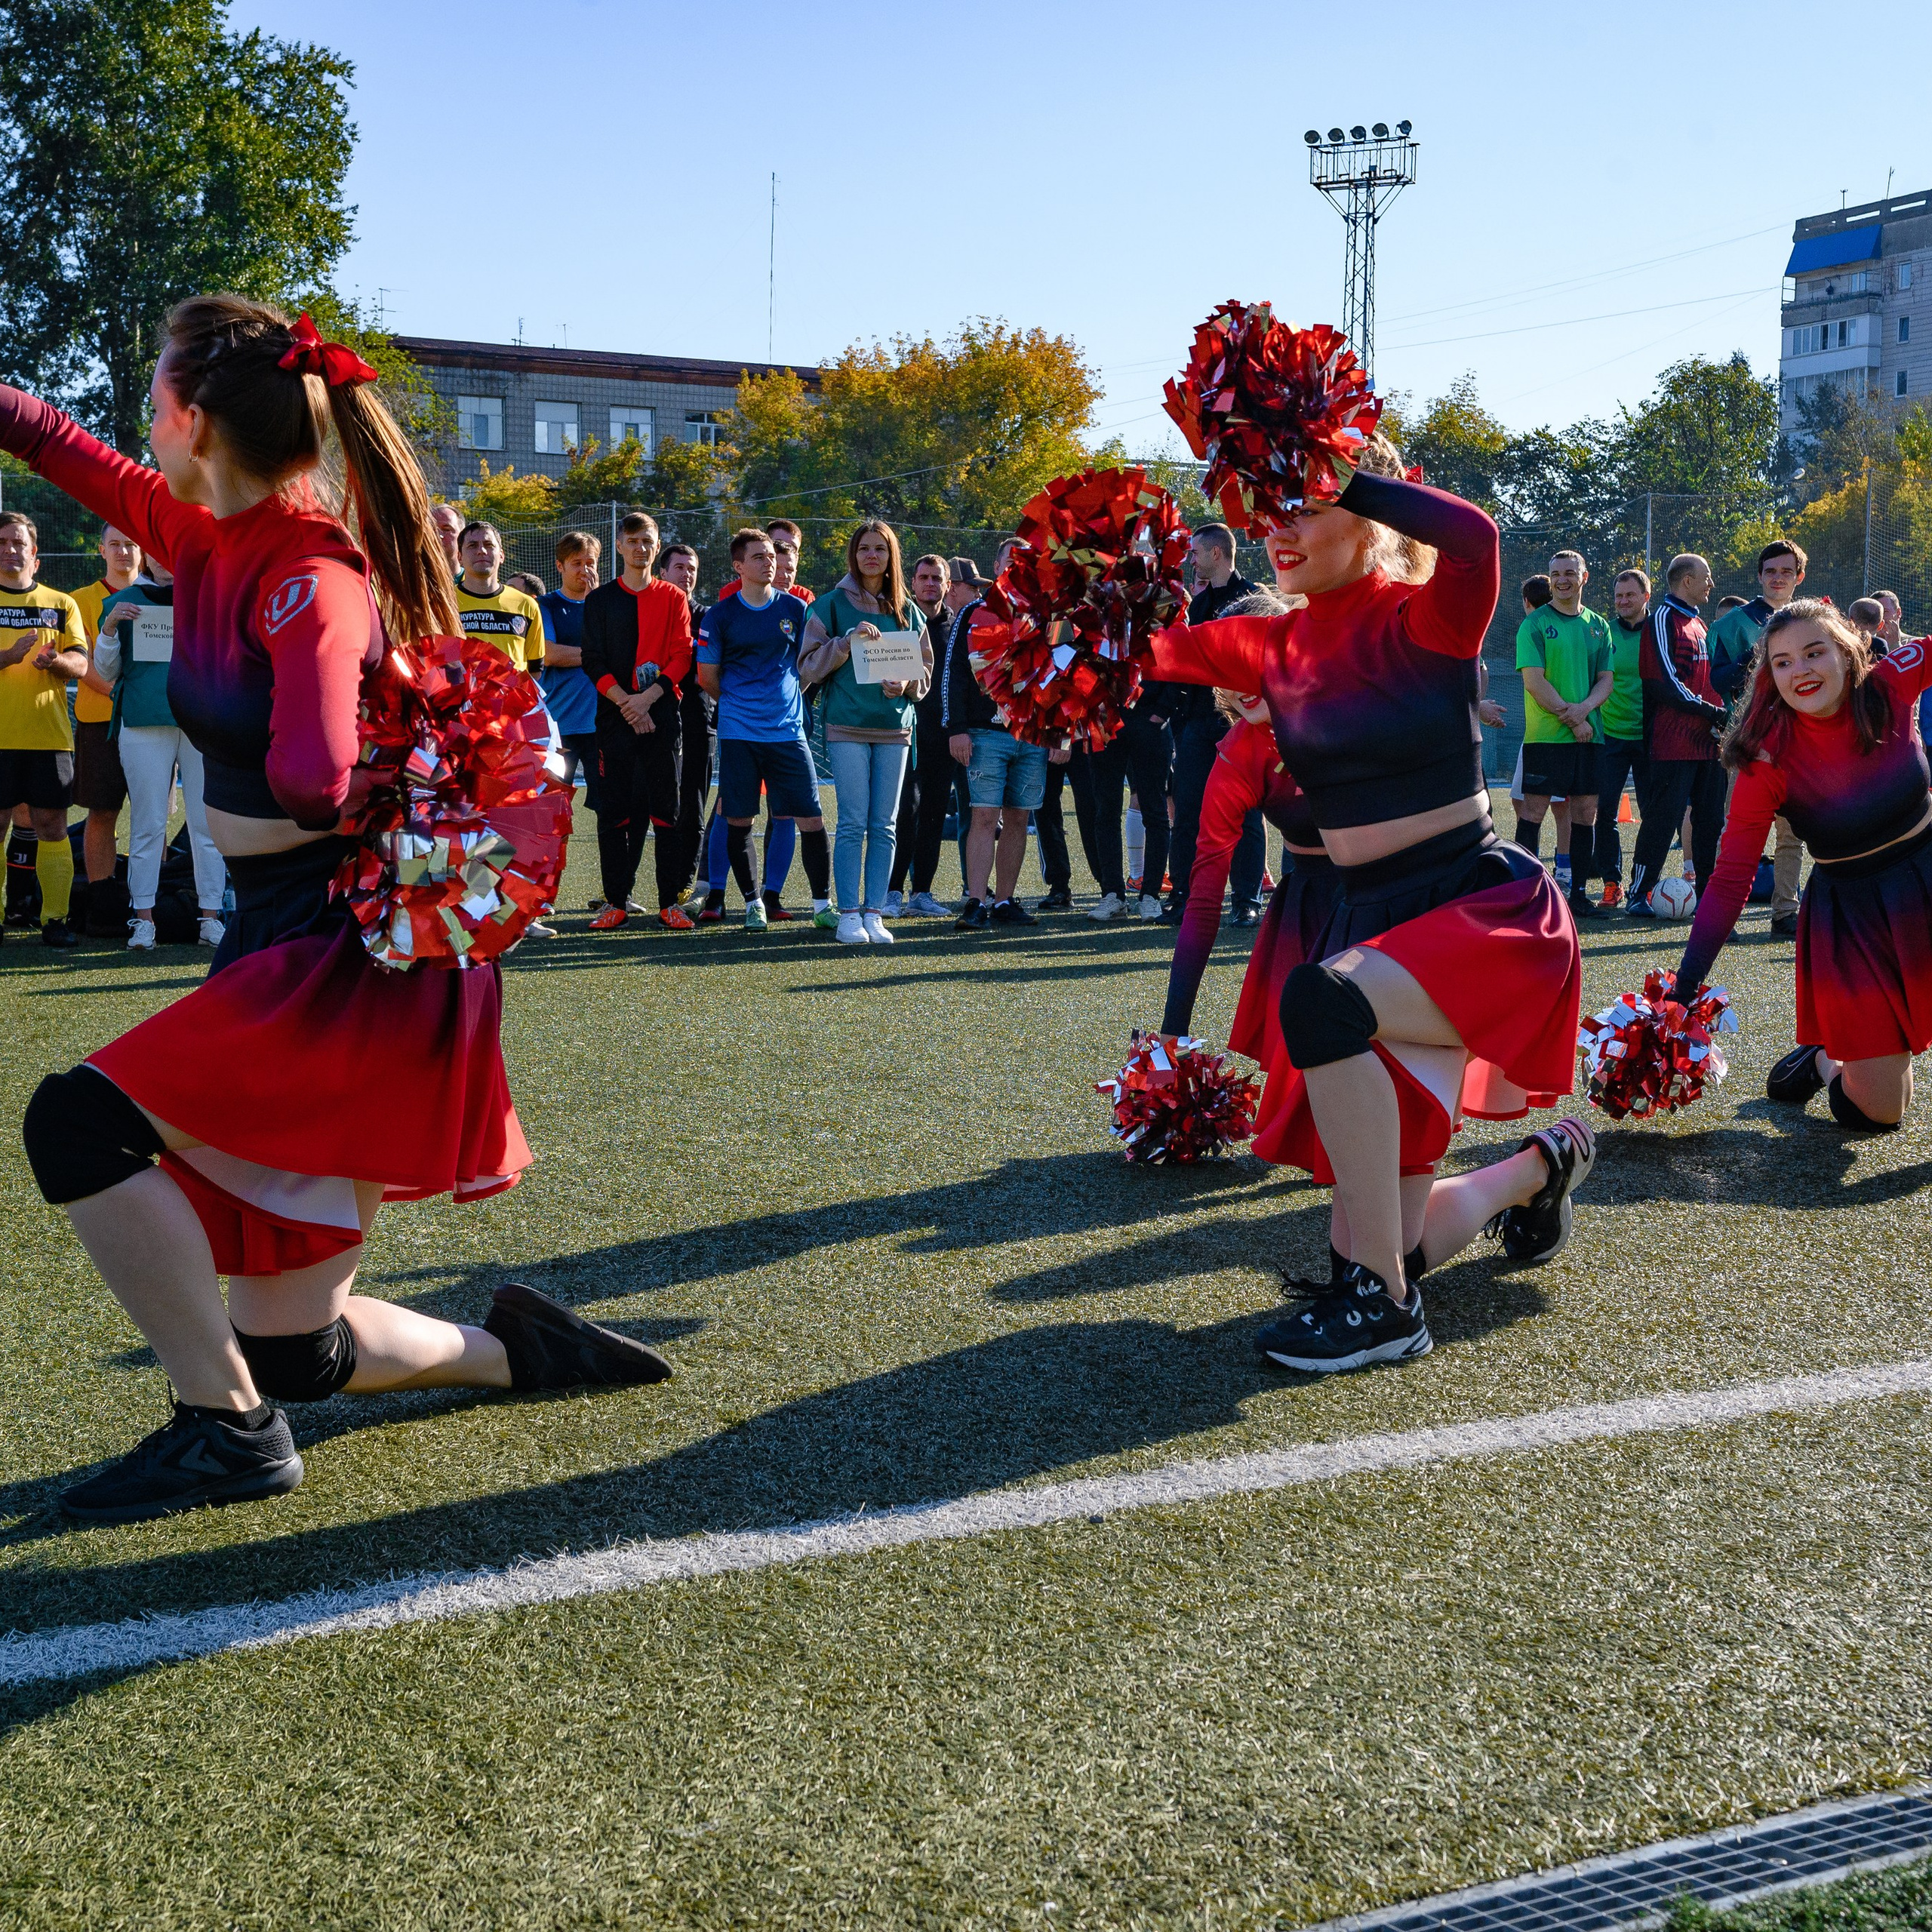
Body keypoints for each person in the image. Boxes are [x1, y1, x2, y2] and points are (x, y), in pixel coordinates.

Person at [3, 297, 670, 1523]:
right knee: (297, 1347)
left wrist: (344, 742)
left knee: (76, 1126)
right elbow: (56, 444)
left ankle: (228, 1433)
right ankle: (524, 1349)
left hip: (345, 949)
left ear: (198, 423)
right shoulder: (197, 528)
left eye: (153, 400)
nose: (142, 424)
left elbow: (314, 774)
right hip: (279, 933)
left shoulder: (310, 573)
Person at [1144, 435, 1592, 1374]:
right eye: (1273, 514)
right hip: (1374, 925)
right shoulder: (1269, 644)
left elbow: (1474, 538)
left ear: (1369, 524)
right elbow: (1141, 656)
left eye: (1305, 509)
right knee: (1386, 1237)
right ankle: (1538, 1168)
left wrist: (1339, 472)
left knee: (1320, 1001)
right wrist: (1064, 614)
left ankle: (1387, 1313)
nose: (1280, 532)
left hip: (1479, 912)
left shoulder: (1425, 618)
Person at [1667, 602, 1932, 1132]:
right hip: (1855, 917)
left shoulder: (1889, 684)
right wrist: (1685, 983)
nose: (1800, 671)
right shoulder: (1765, 758)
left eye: (1814, 653)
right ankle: (1824, 1060)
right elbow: (1732, 878)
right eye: (1783, 662)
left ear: (1847, 652)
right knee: (1880, 1113)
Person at [1159, 597, 1340, 1161]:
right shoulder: (1239, 753)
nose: (1242, 684)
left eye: (1254, 663)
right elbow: (1204, 896)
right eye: (1226, 667)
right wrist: (1173, 1032)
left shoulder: (1352, 708)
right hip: (1311, 906)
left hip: (1397, 896)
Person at [695, 527, 834, 931]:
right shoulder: (720, 615)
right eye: (759, 557)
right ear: (738, 566)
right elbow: (707, 677)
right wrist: (743, 704)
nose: (769, 563)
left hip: (789, 733)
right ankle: (753, 903)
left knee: (811, 818)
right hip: (739, 734)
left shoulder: (796, 609)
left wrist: (784, 698)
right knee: (740, 820)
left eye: (772, 556)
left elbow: (808, 665)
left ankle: (823, 905)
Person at [801, 519, 931, 945]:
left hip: (896, 730)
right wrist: (845, 642)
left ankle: (874, 913)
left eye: (880, 548)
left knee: (885, 825)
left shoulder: (909, 611)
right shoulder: (829, 606)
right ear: (853, 555)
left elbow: (924, 675)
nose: (871, 556)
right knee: (853, 822)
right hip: (847, 727)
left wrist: (907, 683)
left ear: (892, 556)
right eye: (863, 549)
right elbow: (807, 667)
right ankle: (848, 915)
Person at [92, 558, 227, 949]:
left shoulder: (207, 599)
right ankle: (143, 919)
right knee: (148, 824)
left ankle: (211, 917)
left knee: (206, 825)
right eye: (155, 550)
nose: (164, 558)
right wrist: (110, 627)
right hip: (143, 724)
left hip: (200, 723)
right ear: (146, 555)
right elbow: (106, 671)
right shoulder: (123, 602)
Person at [578, 512, 693, 932]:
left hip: (660, 716)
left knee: (667, 812)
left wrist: (646, 700)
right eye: (633, 541)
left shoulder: (674, 597)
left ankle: (670, 903)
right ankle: (616, 903)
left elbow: (682, 656)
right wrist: (627, 703)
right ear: (619, 546)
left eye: (647, 541)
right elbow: (592, 660)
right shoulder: (600, 600)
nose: (640, 548)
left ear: (657, 546)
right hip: (614, 718)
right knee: (614, 813)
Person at [943, 552, 1057, 931]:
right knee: (984, 815)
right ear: (996, 568)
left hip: (1032, 733)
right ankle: (977, 901)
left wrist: (1059, 732)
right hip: (984, 733)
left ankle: (1005, 901)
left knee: (1019, 817)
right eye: (1011, 561)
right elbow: (954, 672)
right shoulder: (974, 611)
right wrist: (956, 728)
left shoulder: (1047, 612)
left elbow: (1061, 671)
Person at [1163, 523, 1266, 928]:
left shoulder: (1255, 599)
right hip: (1196, 725)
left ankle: (1247, 900)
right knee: (1188, 811)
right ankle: (1183, 898)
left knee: (1247, 813)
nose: (1191, 560)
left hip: (1240, 725)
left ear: (1216, 553)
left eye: (1195, 553)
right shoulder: (1196, 606)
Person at [1707, 540, 1807, 935]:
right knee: (1738, 832)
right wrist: (1754, 658)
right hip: (1750, 740)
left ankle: (1786, 911)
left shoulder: (1812, 620)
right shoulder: (1732, 624)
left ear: (1799, 577)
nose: (1778, 578)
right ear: (1760, 576)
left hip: (1799, 741)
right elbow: (1719, 681)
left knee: (1792, 833)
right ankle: (1723, 914)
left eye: (1786, 571)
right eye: (1771, 571)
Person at [0, 509, 88, 948]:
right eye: (2, 543)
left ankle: (55, 920)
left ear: (34, 553)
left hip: (48, 737)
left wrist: (55, 662)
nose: (10, 550)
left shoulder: (61, 603)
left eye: (18, 543)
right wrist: (8, 657)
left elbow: (81, 664)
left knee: (52, 826)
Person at [1512, 549, 1613, 919]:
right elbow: (1534, 682)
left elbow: (1606, 680)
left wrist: (1584, 712)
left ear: (1584, 577)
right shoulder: (1534, 624)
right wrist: (1574, 719)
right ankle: (1523, 895)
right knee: (1533, 812)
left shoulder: (1598, 625)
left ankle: (1579, 896)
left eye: (1570, 573)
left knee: (1585, 814)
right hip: (1546, 737)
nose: (1562, 580)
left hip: (1590, 736)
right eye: (1556, 574)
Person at [1626, 553, 1727, 918]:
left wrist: (1724, 714)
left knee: (1710, 822)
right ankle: (1638, 893)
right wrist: (1714, 712)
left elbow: (1709, 682)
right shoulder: (1662, 619)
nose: (1711, 583)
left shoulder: (1699, 623)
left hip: (1710, 744)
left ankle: (1707, 895)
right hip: (1673, 743)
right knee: (1663, 818)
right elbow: (1664, 684)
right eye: (1706, 576)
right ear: (1687, 581)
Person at [70, 524, 142, 925]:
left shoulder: (161, 596)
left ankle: (152, 895)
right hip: (101, 722)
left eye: (131, 544)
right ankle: (102, 901)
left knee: (150, 815)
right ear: (101, 550)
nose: (123, 551)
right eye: (115, 544)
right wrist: (122, 694)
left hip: (153, 722)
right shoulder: (80, 600)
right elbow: (82, 664)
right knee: (102, 811)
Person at [884, 552, 959, 918]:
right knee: (904, 814)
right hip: (904, 736)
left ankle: (922, 894)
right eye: (924, 578)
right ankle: (890, 892)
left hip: (944, 740)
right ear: (912, 583)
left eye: (937, 578)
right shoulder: (900, 621)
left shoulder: (957, 628)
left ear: (948, 585)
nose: (930, 584)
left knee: (933, 815)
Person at [657, 542, 714, 899]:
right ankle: (622, 891)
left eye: (691, 568)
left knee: (693, 804)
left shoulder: (707, 617)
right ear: (663, 572)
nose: (687, 574)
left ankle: (684, 885)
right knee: (651, 803)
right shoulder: (651, 611)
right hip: (653, 717)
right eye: (679, 567)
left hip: (697, 719)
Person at [1592, 567, 1650, 910]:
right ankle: (1611, 884)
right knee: (1605, 813)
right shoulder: (1604, 631)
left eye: (1630, 595)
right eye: (1618, 596)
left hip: (1650, 737)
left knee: (1653, 815)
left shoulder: (1659, 632)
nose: (1623, 601)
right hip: (1610, 735)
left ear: (1646, 596)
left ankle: (1645, 885)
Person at [535, 531, 602, 800]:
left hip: (601, 726)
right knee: (553, 804)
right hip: (559, 725)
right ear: (560, 565)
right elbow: (550, 654)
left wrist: (596, 604)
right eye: (577, 563)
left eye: (591, 563)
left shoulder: (607, 604)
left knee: (609, 807)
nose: (585, 570)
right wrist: (598, 656)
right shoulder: (545, 605)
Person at [454, 521, 543, 669]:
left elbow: (535, 669)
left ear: (501, 555)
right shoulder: (443, 603)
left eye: (489, 545)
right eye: (472, 546)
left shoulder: (527, 605)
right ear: (459, 557)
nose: (481, 551)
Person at [430, 502, 463, 577]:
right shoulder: (413, 581)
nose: (439, 535)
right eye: (432, 529)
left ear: (462, 536)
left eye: (446, 530)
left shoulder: (477, 582)